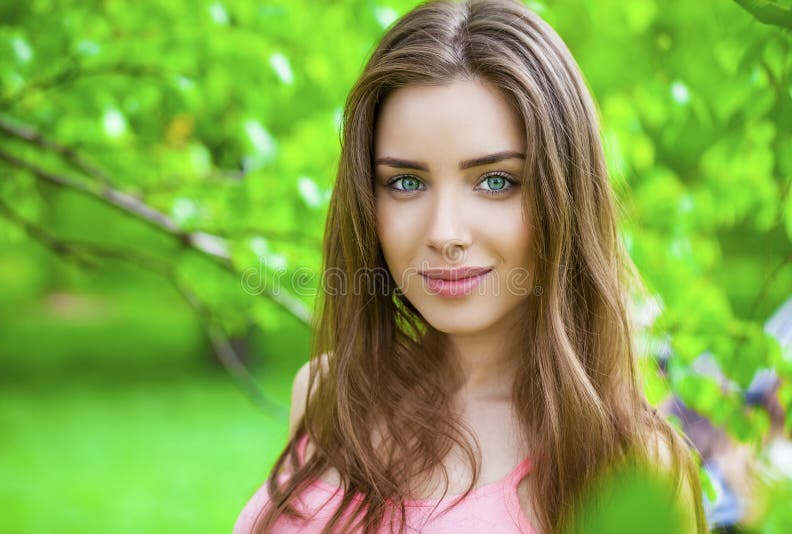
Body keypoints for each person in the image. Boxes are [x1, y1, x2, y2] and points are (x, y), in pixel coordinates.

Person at [234, 0, 707, 532]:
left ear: (564, 195)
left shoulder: (627, 467)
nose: (444, 234)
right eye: (406, 182)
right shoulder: (327, 394)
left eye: (496, 181)